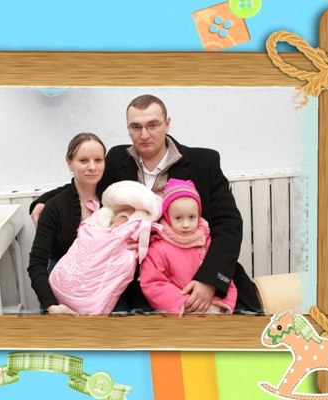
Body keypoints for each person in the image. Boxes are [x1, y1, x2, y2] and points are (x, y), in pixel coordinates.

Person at [30, 94, 262, 313]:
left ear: (167, 124)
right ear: (128, 128)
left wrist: (209, 280)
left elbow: (229, 224)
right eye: (136, 127)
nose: (144, 134)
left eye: (153, 125)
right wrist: (44, 201)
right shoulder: (117, 158)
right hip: (141, 281)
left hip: (196, 269)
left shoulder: (204, 162)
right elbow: (88, 182)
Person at [49, 180, 162, 315]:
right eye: (117, 221)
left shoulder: (131, 223)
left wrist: (122, 224)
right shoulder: (101, 216)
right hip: (87, 251)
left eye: (121, 221)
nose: (91, 168)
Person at [27, 132, 106, 315]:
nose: (92, 167)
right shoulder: (54, 207)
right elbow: (37, 263)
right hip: (62, 290)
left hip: (102, 287)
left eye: (98, 160)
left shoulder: (113, 200)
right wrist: (51, 305)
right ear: (69, 163)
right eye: (83, 161)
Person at [140, 178, 237, 315]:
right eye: (178, 218)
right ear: (167, 217)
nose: (186, 225)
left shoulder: (207, 241)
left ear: (199, 215)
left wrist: (218, 305)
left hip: (212, 308)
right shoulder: (158, 248)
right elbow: (153, 283)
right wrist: (184, 303)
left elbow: (224, 277)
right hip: (181, 312)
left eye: (191, 217)